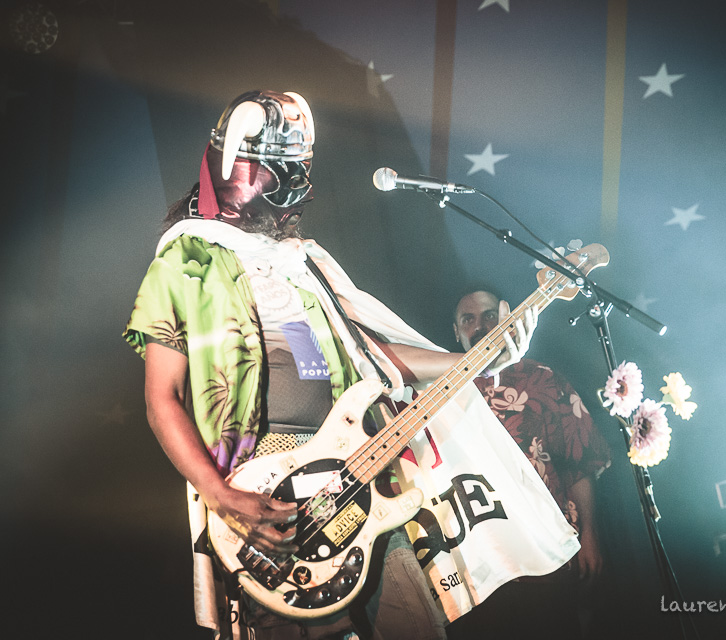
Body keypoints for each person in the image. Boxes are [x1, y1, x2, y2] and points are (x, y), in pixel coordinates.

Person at [123, 91, 538, 640]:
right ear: (240, 170)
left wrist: (471, 362)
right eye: (283, 171)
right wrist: (222, 496)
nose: (297, 187)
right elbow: (162, 398)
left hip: (353, 478)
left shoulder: (299, 264)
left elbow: (365, 361)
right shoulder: (186, 261)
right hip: (267, 494)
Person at [445, 290, 612, 640]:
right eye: (468, 319)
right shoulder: (441, 392)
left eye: (490, 315)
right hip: (482, 565)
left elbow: (579, 463)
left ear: (507, 319)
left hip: (549, 551)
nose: (480, 326)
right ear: (456, 332)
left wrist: (590, 535)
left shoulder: (542, 378)